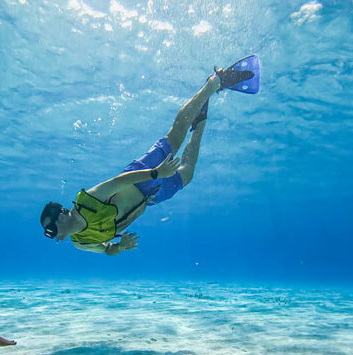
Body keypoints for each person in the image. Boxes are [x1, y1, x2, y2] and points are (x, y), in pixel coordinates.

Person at [40, 57, 260, 255]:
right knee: (188, 173)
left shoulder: (87, 201)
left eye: (50, 230)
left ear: (61, 216)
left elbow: (120, 181)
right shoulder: (81, 242)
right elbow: (107, 250)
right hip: (150, 198)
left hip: (141, 176)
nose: (52, 236)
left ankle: (214, 82)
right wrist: (121, 246)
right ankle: (200, 119)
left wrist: (156, 173)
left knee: (175, 138)